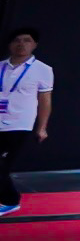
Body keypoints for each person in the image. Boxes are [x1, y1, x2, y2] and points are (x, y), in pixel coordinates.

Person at [0, 28, 49, 214]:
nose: (21, 44)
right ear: (10, 44)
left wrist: (42, 127)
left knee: (2, 165)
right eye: (17, 40)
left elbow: (45, 100)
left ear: (34, 44)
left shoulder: (43, 70)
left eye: (27, 40)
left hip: (19, 124)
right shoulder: (1, 66)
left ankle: (10, 200)